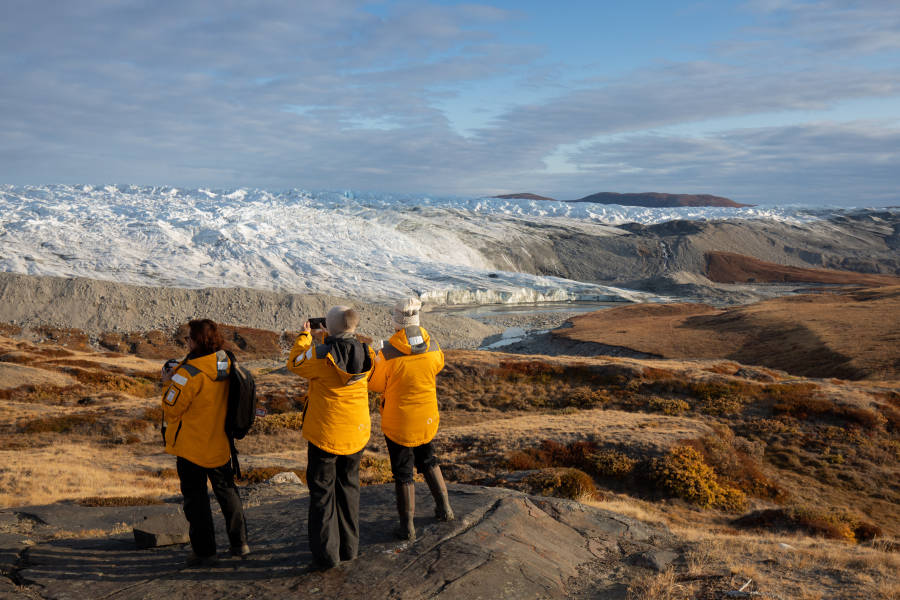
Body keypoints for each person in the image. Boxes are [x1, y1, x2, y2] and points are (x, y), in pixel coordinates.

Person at [287, 306, 375, 569]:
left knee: (323, 494)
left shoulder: (320, 354)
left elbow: (294, 363)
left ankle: (327, 557)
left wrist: (306, 337)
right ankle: (350, 549)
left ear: (328, 326)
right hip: (356, 433)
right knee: (349, 489)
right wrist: (332, 335)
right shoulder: (367, 352)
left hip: (326, 434)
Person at [161, 319, 249, 567]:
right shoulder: (226, 362)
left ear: (197, 341)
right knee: (227, 493)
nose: (186, 342)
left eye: (188, 338)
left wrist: (169, 380)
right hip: (220, 443)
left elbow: (171, 408)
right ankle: (240, 543)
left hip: (192, 448)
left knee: (196, 500)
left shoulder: (187, 375)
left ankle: (205, 551)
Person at [368, 297, 454, 541]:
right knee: (428, 459)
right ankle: (444, 509)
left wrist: (375, 359)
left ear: (396, 323)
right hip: (426, 417)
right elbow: (438, 366)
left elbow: (374, 384)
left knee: (403, 473)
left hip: (399, 422)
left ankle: (407, 527)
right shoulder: (433, 346)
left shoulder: (387, 353)